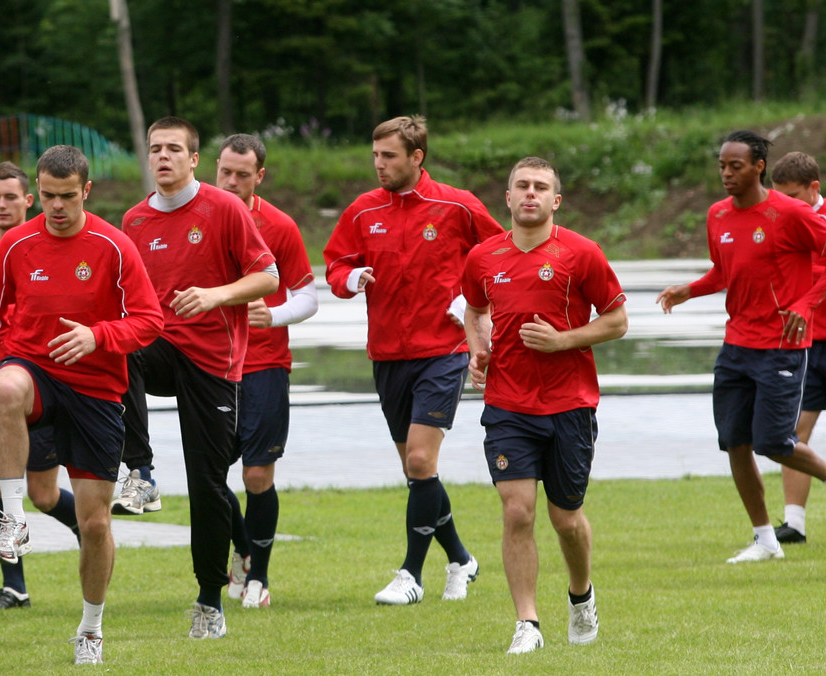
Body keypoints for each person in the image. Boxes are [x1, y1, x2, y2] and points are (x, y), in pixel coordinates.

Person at [0, 145, 163, 665]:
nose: (56, 207)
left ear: (86, 191)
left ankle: (91, 628)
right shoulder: (15, 245)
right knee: (7, 388)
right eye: (47, 196)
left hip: (95, 388)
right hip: (34, 369)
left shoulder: (114, 246)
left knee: (95, 525)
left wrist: (98, 337)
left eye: (67, 197)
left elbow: (149, 320)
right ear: (38, 191)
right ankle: (12, 519)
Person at [323, 115, 498, 607]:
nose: (379, 164)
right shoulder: (362, 210)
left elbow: (500, 257)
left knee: (421, 459)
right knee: (418, 471)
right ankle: (461, 558)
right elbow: (335, 263)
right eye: (375, 156)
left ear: (417, 157)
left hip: (443, 350)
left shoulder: (457, 205)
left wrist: (473, 308)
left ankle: (411, 574)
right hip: (387, 354)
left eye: (389, 156)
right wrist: (350, 279)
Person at [119, 116, 278, 638]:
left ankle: (210, 600)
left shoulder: (224, 208)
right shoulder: (134, 221)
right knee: (123, 351)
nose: (162, 156)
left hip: (214, 361)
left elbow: (268, 275)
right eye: (154, 148)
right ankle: (140, 473)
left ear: (193, 160)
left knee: (208, 483)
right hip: (161, 347)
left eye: (173, 149)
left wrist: (214, 295)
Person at [462, 156, 627, 654]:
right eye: (521, 186)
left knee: (566, 519)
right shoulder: (483, 258)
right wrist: (477, 350)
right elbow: (473, 309)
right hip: (507, 404)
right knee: (517, 512)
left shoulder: (582, 253)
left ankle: (581, 596)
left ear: (555, 200)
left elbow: (617, 321)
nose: (529, 194)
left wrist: (564, 341)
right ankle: (528, 624)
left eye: (540, 187)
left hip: (570, 405)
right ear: (507, 198)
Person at [658, 131, 826, 564]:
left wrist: (806, 304)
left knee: (774, 442)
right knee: (734, 442)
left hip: (782, 347)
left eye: (735, 166)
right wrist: (688, 291)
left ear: (758, 167)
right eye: (721, 166)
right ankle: (765, 540)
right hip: (736, 346)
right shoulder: (717, 215)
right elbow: (723, 272)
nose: (726, 174)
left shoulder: (789, 212)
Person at [0, 162, 82, 610]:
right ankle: (14, 585)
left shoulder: (42, 245)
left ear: (30, 200)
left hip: (38, 379)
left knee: (43, 494)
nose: (2, 205)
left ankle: (88, 524)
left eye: (11, 197)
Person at [214, 133, 318, 609]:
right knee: (211, 475)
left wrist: (272, 316)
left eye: (242, 174)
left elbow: (308, 295)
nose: (231, 181)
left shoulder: (278, 225)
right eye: (225, 171)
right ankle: (242, 549)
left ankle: (261, 576)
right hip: (208, 365)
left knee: (257, 475)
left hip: (263, 365)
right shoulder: (195, 218)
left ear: (260, 176)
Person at [769, 151, 826, 544]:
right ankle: (794, 524)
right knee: (793, 435)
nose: (785, 204)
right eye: (780, 196)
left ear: (814, 188)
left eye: (792, 196)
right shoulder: (782, 222)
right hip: (806, 345)